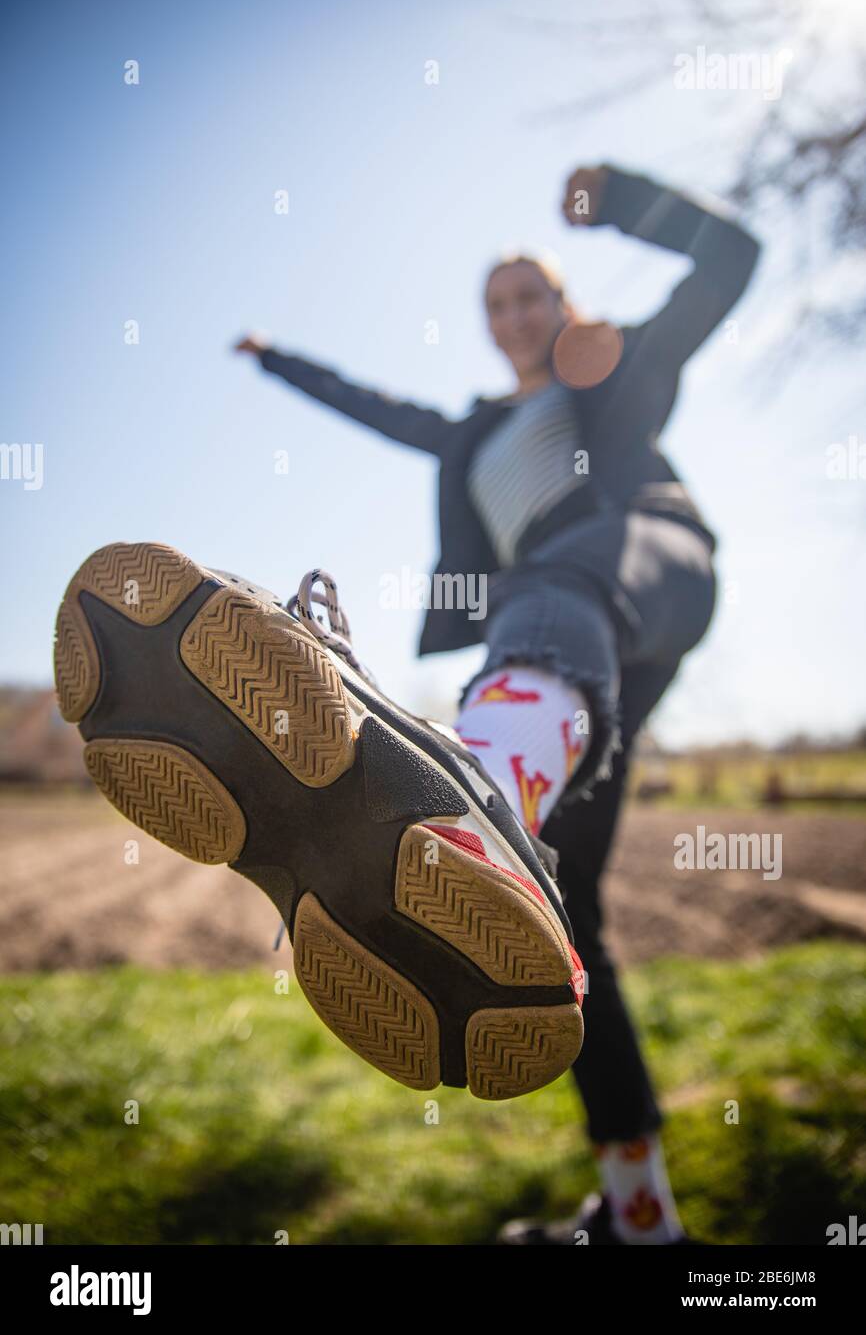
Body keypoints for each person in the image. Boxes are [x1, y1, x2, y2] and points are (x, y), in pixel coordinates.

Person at [233, 161, 761, 1244]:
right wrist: (272, 359)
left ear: (562, 308)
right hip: (575, 672)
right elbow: (371, 407)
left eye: (532, 294)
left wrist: (615, 200)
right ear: (485, 325)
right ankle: (639, 1212)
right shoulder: (468, 432)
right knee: (572, 919)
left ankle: (470, 802)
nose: (516, 313)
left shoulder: (611, 373)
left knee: (546, 582)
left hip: (646, 569)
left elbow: (731, 260)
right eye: (497, 302)